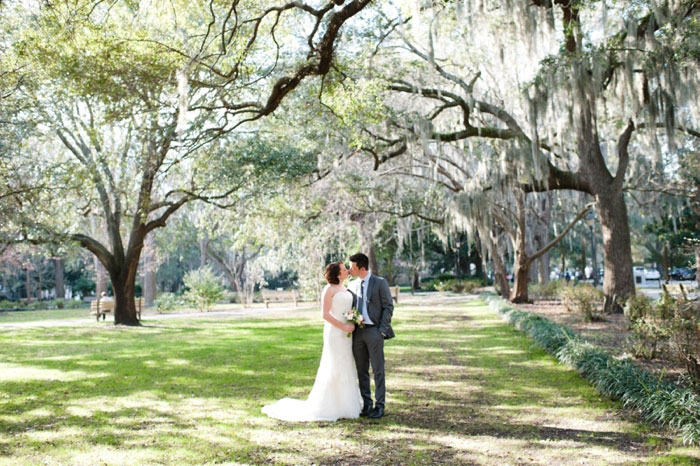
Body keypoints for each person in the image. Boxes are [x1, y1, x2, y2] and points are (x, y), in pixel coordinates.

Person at [261, 262, 362, 421]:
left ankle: (347, 403)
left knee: (347, 363)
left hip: (346, 332)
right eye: (344, 269)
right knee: (334, 365)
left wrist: (352, 319)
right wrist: (342, 326)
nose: (347, 271)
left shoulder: (345, 288)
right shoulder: (329, 289)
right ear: (336, 273)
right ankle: (330, 404)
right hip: (335, 332)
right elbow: (325, 314)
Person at [348, 252, 394, 419]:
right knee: (361, 371)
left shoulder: (379, 283)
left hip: (375, 331)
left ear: (362, 268)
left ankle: (379, 405)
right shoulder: (351, 285)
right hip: (358, 333)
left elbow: (389, 307)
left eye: (352, 267)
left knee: (378, 370)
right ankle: (367, 404)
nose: (349, 270)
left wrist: (382, 330)